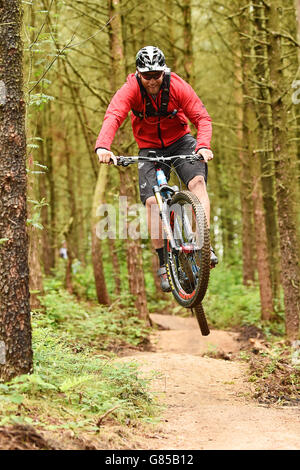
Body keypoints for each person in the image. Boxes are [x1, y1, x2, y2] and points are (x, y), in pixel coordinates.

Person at [95, 46, 218, 292]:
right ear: (138, 73)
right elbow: (114, 115)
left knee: (197, 184)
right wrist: (103, 147)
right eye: (147, 75)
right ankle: (163, 263)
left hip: (181, 141)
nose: (152, 81)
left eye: (156, 75)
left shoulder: (177, 85)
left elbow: (202, 118)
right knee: (152, 203)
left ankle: (202, 241)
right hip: (149, 149)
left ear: (164, 71)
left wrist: (203, 146)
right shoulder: (130, 89)